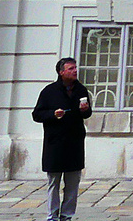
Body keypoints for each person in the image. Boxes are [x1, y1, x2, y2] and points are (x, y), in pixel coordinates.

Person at [32, 57, 94, 221]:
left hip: (74, 142)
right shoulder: (49, 91)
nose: (75, 71)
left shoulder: (81, 90)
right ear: (61, 72)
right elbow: (37, 114)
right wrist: (53, 114)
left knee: (73, 183)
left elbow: (87, 114)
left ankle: (67, 215)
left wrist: (85, 110)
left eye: (75, 68)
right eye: (70, 68)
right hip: (55, 143)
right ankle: (52, 215)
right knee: (54, 182)